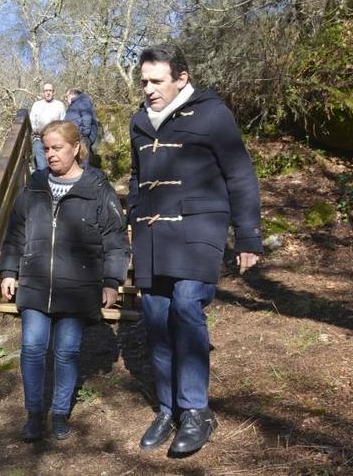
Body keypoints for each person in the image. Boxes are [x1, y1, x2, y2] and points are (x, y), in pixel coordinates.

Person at [128, 44, 263, 455]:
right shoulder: (138, 121)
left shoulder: (212, 113)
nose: (148, 89)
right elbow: (136, 178)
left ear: (181, 78)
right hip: (153, 235)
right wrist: (135, 217)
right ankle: (168, 409)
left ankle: (195, 411)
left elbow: (240, 174)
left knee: (187, 304)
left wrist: (248, 237)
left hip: (198, 227)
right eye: (144, 81)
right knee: (154, 315)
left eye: (156, 81)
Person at [0, 120, 129, 442]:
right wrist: (8, 272)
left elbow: (115, 239)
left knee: (67, 352)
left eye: (57, 148)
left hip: (78, 288)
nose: (51, 154)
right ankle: (33, 415)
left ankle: (58, 415)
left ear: (76, 148)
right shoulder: (35, 185)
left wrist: (111, 281)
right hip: (34, 282)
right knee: (31, 348)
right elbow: (15, 233)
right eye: (46, 149)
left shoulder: (97, 188)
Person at [29, 83, 66, 171]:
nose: (48, 93)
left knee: (55, 166)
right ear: (43, 93)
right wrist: (36, 131)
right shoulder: (37, 105)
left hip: (56, 140)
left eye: (50, 91)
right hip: (39, 139)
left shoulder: (59, 105)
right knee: (42, 167)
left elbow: (63, 122)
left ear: (54, 92)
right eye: (46, 91)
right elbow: (32, 122)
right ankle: (43, 183)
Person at [64, 89, 99, 167]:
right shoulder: (75, 104)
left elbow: (87, 117)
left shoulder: (82, 101)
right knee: (78, 162)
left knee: (83, 162)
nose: (66, 99)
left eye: (67, 96)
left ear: (72, 94)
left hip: (82, 137)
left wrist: (84, 133)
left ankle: (85, 177)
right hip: (76, 137)